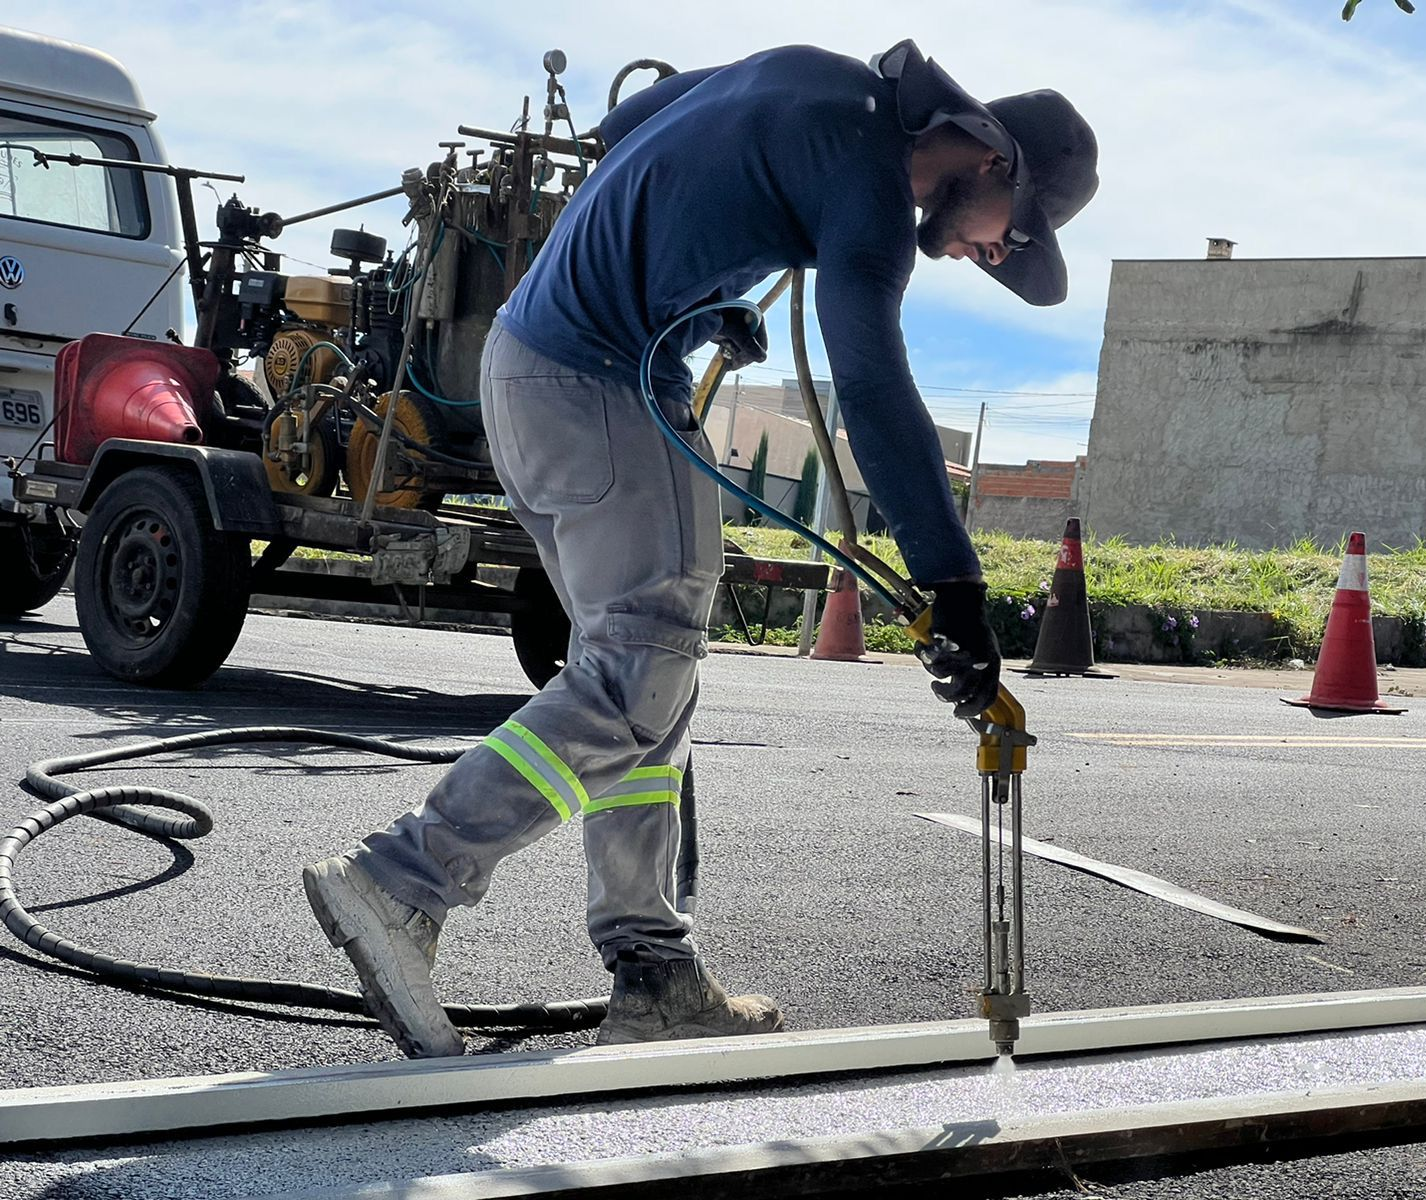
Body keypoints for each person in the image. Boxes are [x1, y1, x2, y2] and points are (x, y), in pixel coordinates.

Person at [303, 39, 1099, 1058]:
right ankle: (401, 881)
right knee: (642, 671)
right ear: (992, 161)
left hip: (528, 363)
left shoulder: (812, 76)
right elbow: (870, 381)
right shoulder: (865, 195)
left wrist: (696, 283)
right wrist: (952, 581)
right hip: (601, 376)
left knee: (646, 677)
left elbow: (632, 126)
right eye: (1009, 237)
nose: (990, 255)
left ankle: (655, 971)